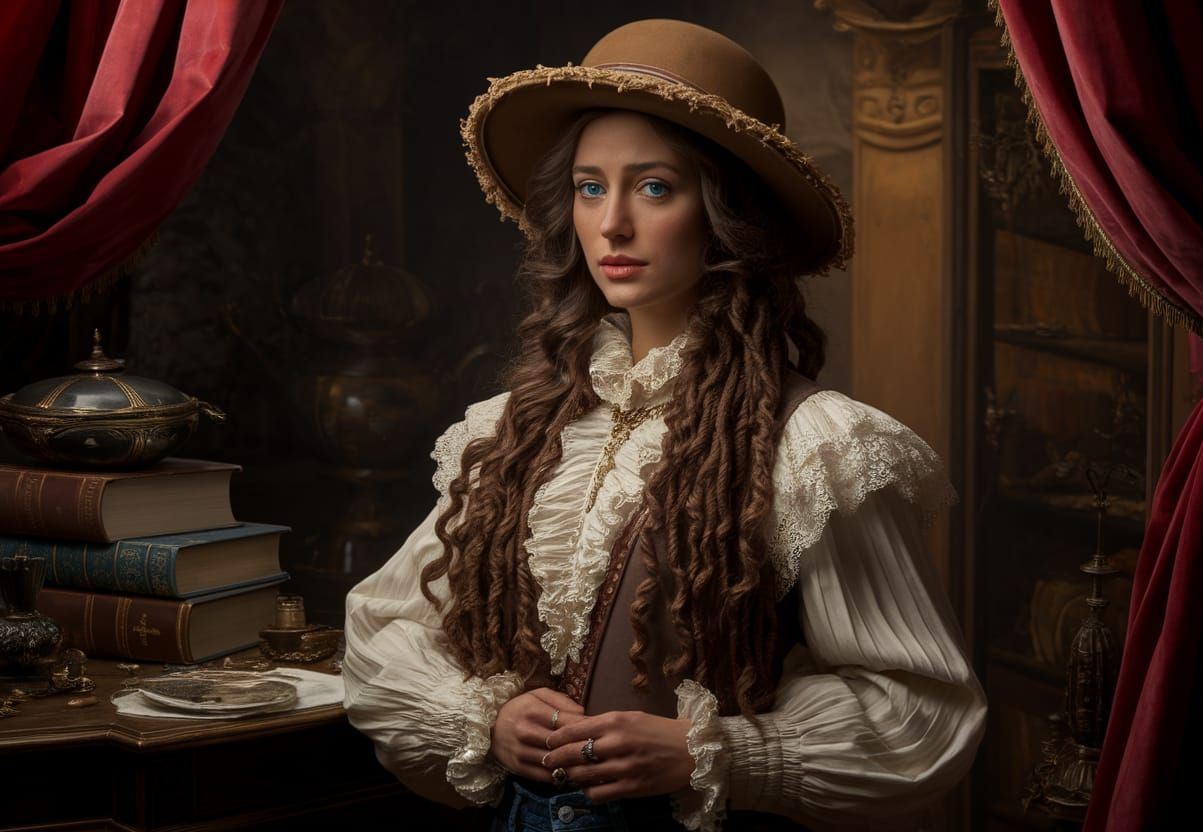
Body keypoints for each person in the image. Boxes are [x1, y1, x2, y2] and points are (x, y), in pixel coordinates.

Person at [343, 18, 986, 832]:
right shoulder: (508, 429)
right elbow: (383, 627)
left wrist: (716, 754)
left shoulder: (817, 444)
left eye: (653, 187)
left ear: (724, 213)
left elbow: (920, 709)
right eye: (588, 187)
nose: (612, 224)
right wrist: (484, 719)